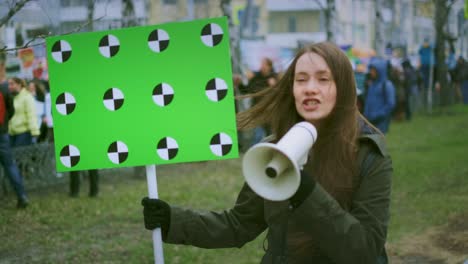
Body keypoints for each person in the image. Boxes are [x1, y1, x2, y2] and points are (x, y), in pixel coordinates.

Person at [141, 42, 393, 263]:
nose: (310, 88)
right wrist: (173, 221)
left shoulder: (368, 155)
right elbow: (238, 225)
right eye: (301, 79)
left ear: (344, 88)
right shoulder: (274, 152)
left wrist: (307, 194)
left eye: (323, 79)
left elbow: (364, 252)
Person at [0, 76, 29, 208]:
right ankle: (22, 196)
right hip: (2, 133)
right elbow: (10, 110)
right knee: (10, 166)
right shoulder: (4, 89)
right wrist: (5, 123)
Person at [240, 57, 278, 146]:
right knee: (258, 134)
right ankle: (254, 152)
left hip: (270, 112)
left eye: (264, 64)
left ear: (269, 66)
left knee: (270, 134)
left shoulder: (274, 78)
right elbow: (246, 91)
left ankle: (270, 150)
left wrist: (274, 86)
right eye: (261, 64)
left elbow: (281, 95)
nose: (262, 66)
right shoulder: (256, 77)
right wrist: (241, 83)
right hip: (257, 110)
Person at [363, 57, 396, 134]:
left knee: (377, 143)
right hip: (368, 121)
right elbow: (368, 101)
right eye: (371, 69)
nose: (371, 72)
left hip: (380, 122)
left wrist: (378, 115)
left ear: (380, 71)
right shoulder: (372, 84)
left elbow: (390, 104)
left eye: (373, 70)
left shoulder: (387, 85)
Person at [8, 77, 40, 147]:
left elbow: (31, 115)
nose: (9, 86)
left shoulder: (27, 97)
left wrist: (35, 132)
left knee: (21, 156)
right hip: (11, 134)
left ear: (19, 84)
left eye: (12, 84)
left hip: (24, 134)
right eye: (9, 84)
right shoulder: (12, 98)